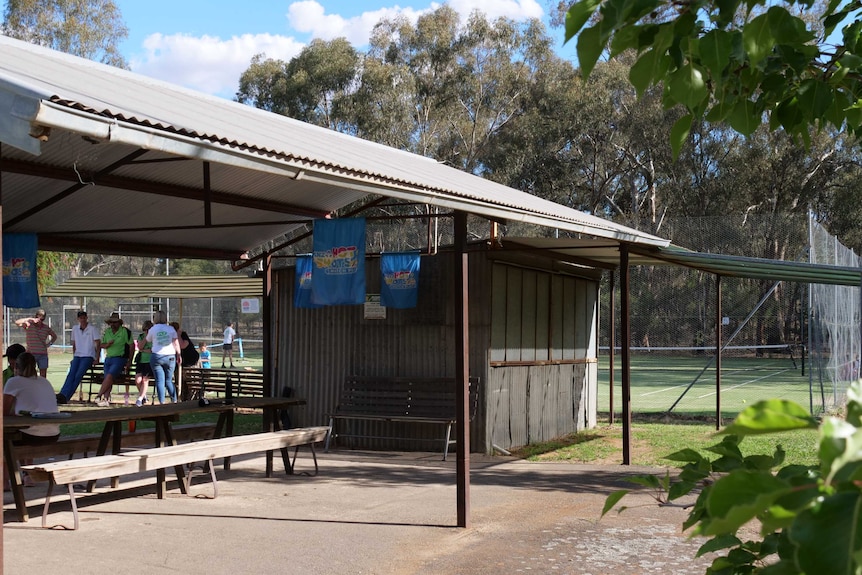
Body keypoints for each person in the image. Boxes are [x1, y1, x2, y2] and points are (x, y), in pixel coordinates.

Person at [3, 352, 60, 488]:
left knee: (7, 439)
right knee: (24, 431)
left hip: (31, 435)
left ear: (15, 367)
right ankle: (27, 476)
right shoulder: (44, 381)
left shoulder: (14, 381)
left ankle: (4, 481)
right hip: (53, 434)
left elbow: (3, 412)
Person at [57, 310, 101, 404]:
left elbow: (98, 343)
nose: (82, 319)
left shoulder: (92, 329)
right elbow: (74, 343)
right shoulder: (75, 328)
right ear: (78, 319)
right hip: (78, 355)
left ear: (87, 318)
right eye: (81, 318)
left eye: (84, 317)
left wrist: (97, 358)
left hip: (88, 355)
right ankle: (62, 394)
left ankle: (66, 396)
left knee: (78, 375)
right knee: (71, 374)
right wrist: (74, 355)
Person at [94, 312, 134, 407]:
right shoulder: (107, 332)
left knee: (109, 376)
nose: (113, 324)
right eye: (111, 322)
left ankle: (99, 395)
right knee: (108, 379)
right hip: (108, 358)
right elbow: (101, 345)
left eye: (115, 322)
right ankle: (106, 399)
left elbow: (132, 346)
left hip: (120, 358)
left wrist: (129, 361)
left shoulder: (125, 332)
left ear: (119, 323)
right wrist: (107, 345)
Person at [146, 311, 181, 404]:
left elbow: (148, 339)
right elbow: (176, 343)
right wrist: (179, 354)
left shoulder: (153, 329)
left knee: (160, 381)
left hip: (157, 356)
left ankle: (162, 402)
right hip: (170, 356)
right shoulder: (171, 329)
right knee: (169, 380)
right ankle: (174, 400)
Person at [14, 309, 57, 377]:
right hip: (31, 354)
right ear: (36, 316)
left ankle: (41, 387)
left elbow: (54, 336)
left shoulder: (46, 328)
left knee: (43, 375)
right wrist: (29, 319)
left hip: (42, 354)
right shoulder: (29, 325)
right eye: (38, 317)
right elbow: (17, 322)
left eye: (42, 318)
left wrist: (49, 344)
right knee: (29, 373)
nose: (40, 320)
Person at [133, 320, 154, 407]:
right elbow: (139, 347)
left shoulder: (154, 338)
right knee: (138, 380)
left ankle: (139, 399)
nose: (147, 331)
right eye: (145, 330)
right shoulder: (141, 336)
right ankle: (144, 395)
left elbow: (152, 350)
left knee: (145, 380)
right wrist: (146, 338)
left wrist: (144, 350)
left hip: (150, 362)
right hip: (141, 361)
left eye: (149, 330)